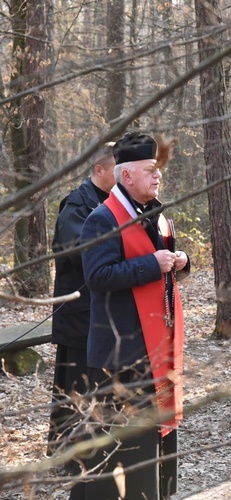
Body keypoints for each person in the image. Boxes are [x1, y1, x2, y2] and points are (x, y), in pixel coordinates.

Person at [75, 133, 190, 499]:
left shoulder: (155, 211)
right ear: (126, 176)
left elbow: (163, 267)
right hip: (120, 355)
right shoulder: (102, 218)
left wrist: (181, 263)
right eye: (150, 171)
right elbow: (97, 277)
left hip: (157, 347)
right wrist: (150, 265)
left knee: (152, 443)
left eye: (158, 171)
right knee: (115, 453)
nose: (158, 177)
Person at [48, 143, 116, 458]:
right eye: (117, 168)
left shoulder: (115, 202)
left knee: (98, 387)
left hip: (103, 314)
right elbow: (76, 250)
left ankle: (93, 449)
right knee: (72, 387)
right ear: (99, 170)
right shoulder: (77, 204)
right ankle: (66, 455)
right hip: (78, 313)